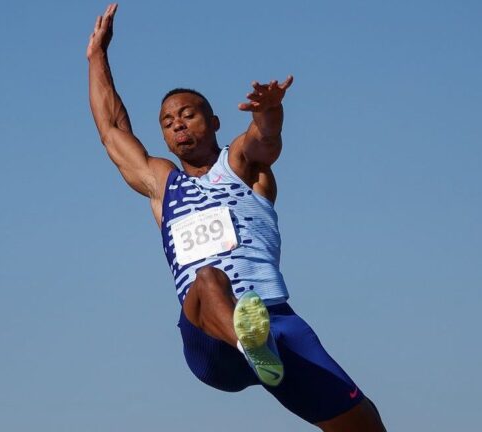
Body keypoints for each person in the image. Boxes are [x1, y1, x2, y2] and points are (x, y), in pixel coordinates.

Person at [87, 4, 386, 431]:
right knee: (209, 278)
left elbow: (265, 139)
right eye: (168, 122)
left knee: (364, 422)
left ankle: (260, 345)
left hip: (274, 318)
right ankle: (251, 346)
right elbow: (112, 130)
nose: (178, 125)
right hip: (209, 339)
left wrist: (268, 110)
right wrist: (97, 57)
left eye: (187, 114)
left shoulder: (241, 165)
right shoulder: (163, 185)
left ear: (214, 122)